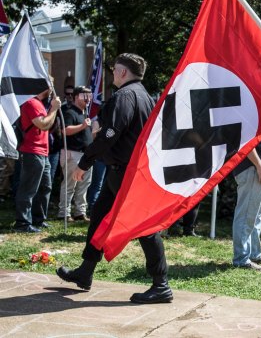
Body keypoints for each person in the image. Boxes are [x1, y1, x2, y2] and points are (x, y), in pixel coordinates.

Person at [56, 53, 173, 304]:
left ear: (122, 72)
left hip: (127, 173)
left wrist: (85, 162)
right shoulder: (144, 95)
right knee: (99, 218)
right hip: (121, 171)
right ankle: (85, 272)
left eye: (114, 70)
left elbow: (110, 134)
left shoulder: (125, 96)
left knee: (144, 227)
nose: (112, 74)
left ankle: (161, 284)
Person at [13, 84, 61, 233]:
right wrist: (53, 109)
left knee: (45, 187)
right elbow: (43, 124)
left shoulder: (39, 104)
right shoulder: (31, 102)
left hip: (43, 152)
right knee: (29, 188)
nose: (53, 89)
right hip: (32, 150)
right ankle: (22, 222)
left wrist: (52, 109)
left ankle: (38, 219)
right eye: (51, 85)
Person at [232, 134, 261, 271]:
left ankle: (255, 254)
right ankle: (241, 259)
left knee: (256, 213)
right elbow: (246, 142)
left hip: (256, 168)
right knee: (246, 215)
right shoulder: (251, 114)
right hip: (252, 168)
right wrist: (259, 165)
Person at [57, 86, 93, 222]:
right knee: (69, 184)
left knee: (84, 185)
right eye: (85, 96)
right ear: (77, 96)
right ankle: (64, 213)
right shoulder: (70, 112)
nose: (88, 99)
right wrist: (83, 126)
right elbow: (65, 130)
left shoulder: (84, 113)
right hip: (73, 153)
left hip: (85, 155)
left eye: (90, 96)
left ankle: (80, 212)